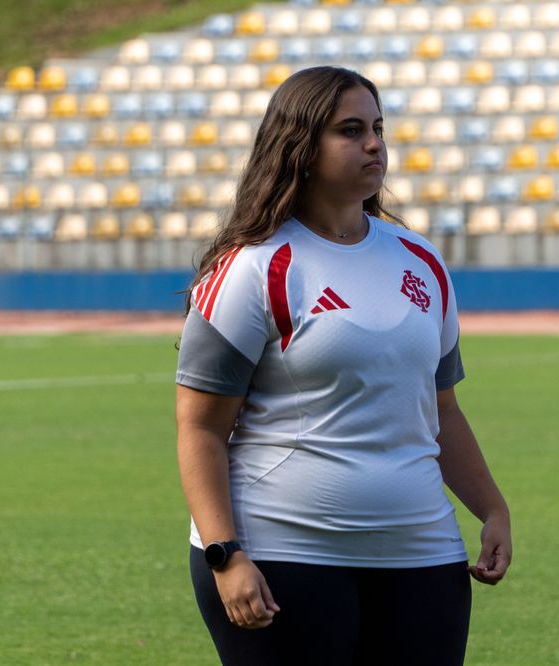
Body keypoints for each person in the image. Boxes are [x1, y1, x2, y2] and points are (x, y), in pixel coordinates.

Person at [175, 66, 512, 666]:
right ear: (300, 147)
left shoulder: (421, 261)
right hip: (282, 554)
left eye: (378, 128)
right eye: (350, 131)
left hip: (421, 553)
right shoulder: (254, 267)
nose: (374, 144)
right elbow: (200, 427)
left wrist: (491, 509)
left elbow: (440, 410)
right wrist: (225, 555)